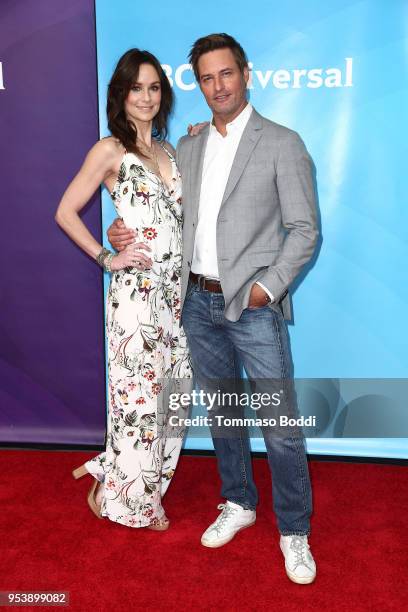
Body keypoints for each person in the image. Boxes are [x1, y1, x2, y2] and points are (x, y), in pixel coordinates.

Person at [108, 33, 319, 583]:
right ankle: (239, 502)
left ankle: (294, 530)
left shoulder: (282, 141)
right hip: (195, 304)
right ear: (197, 84)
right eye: (206, 77)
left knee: (278, 425)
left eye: (226, 74)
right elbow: (165, 213)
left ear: (245, 74)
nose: (217, 86)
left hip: (252, 307)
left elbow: (304, 231)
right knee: (226, 417)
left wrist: (264, 289)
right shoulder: (189, 146)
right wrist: (119, 229)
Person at [55, 48, 192, 531]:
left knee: (174, 399)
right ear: (121, 94)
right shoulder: (109, 150)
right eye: (137, 87)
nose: (146, 97)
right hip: (136, 299)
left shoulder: (171, 152)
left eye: (154, 87)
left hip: (177, 299)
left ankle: (133, 480)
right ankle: (133, 502)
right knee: (139, 401)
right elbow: (65, 211)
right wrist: (107, 257)